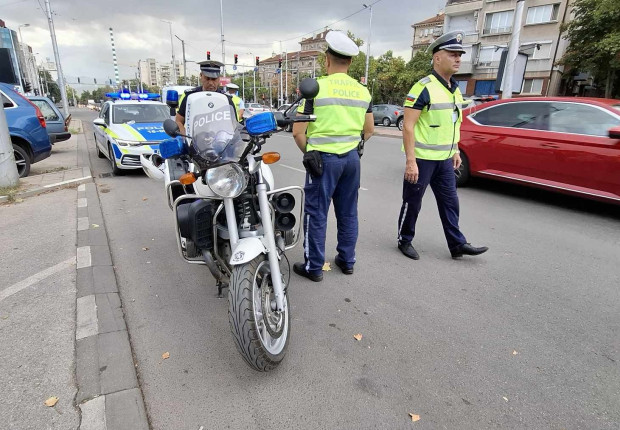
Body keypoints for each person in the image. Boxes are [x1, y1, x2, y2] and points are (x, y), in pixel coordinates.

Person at [397, 30, 488, 260]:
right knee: (413, 203)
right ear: (437, 57)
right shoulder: (423, 87)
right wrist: (410, 162)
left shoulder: (455, 89)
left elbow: (454, 122)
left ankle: (457, 244)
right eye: (452, 54)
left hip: (445, 160)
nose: (458, 58)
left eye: (460, 54)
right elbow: (408, 126)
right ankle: (404, 240)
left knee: (450, 203)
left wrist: (455, 149)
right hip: (422, 159)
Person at [292, 30, 374, 282]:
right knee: (348, 212)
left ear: (326, 60)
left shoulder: (315, 88)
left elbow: (297, 132)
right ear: (349, 62)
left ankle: (314, 267)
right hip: (351, 160)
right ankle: (347, 261)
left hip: (322, 161)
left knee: (316, 213)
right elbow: (368, 131)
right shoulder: (363, 91)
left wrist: (310, 153)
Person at [175, 60, 235, 134]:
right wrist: (184, 136)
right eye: (207, 78)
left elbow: (234, 125)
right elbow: (179, 120)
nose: (210, 83)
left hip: (220, 143)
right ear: (201, 76)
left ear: (219, 78)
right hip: (193, 142)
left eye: (214, 79)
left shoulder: (226, 99)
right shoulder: (190, 97)